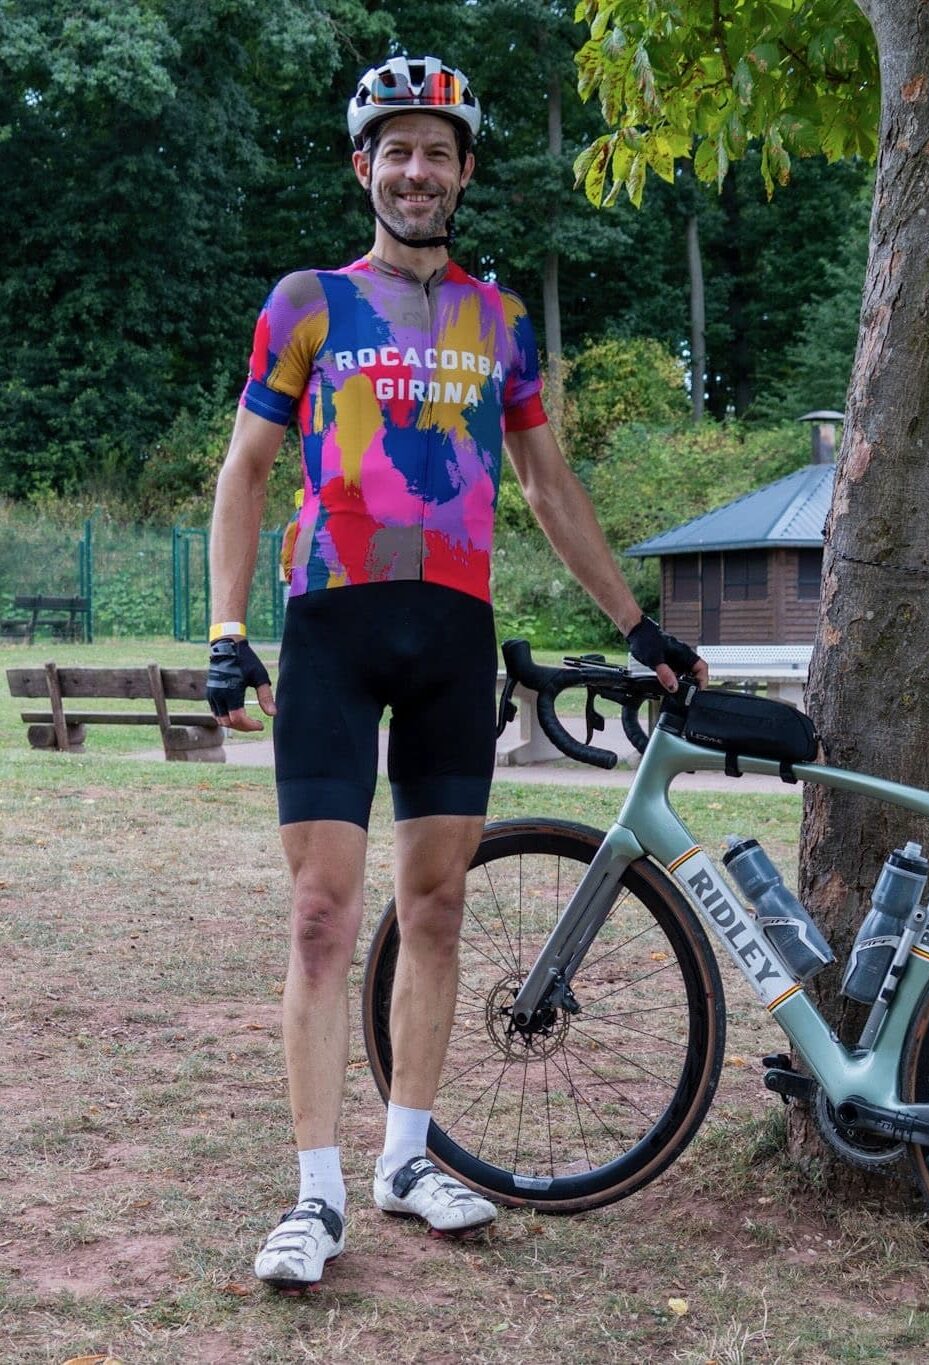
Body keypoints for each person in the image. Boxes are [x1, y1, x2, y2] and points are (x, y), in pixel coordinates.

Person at [205, 52, 707, 1290]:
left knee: (435, 907)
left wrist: (635, 623)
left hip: (452, 632)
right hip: (333, 626)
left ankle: (406, 1159)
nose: (415, 170)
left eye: (437, 151)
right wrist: (225, 631)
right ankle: (314, 1194)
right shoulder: (308, 302)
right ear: (362, 167)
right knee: (322, 915)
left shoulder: (501, 321)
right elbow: (247, 470)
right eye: (396, 150)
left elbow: (545, 482)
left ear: (465, 171)